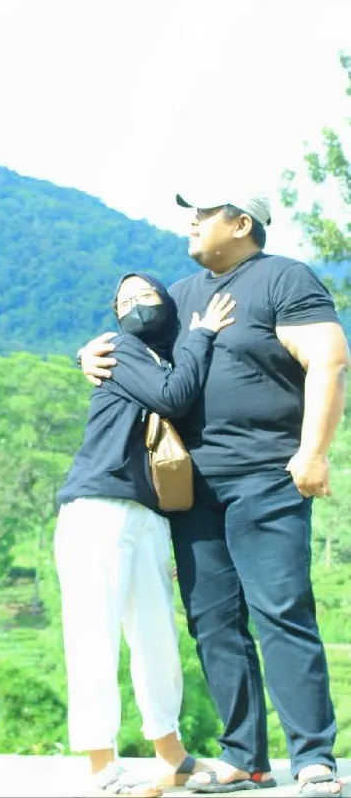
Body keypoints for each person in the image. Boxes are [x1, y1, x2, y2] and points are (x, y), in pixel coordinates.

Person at [79, 185, 350, 797]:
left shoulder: (284, 278)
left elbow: (329, 360)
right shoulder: (182, 296)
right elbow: (140, 350)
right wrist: (88, 356)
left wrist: (312, 451)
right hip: (193, 490)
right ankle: (244, 758)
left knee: (281, 613)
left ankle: (312, 757)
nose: (191, 223)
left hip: (267, 477)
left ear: (241, 222)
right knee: (213, 622)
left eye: (202, 214)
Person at [55, 271, 236, 797]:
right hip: (97, 507)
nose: (135, 304)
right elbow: (174, 398)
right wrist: (204, 335)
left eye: (144, 294)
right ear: (114, 318)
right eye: (123, 300)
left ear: (164, 300)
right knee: (95, 637)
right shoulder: (120, 347)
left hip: (149, 514)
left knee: (157, 638)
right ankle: (101, 763)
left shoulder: (162, 352)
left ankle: (172, 755)